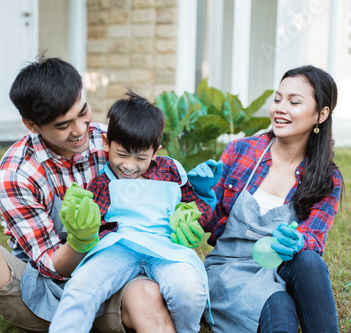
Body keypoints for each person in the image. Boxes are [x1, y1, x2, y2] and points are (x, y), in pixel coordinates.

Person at [0, 57, 177, 333]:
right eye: (63, 125)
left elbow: (155, 183)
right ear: (32, 125)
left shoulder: (111, 142)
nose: (80, 130)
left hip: (115, 281)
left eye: (83, 112)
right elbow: (52, 265)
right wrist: (81, 240)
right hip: (41, 289)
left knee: (148, 297)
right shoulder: (17, 174)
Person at [49, 90, 222, 333]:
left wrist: (196, 209)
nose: (129, 166)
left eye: (141, 157)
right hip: (118, 247)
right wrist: (82, 226)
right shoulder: (102, 183)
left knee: (188, 289)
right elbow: (93, 226)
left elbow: (199, 210)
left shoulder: (171, 171)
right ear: (108, 144)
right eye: (121, 154)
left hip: (166, 248)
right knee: (82, 286)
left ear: (156, 150)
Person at [203, 65, 344, 333]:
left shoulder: (327, 177)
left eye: (294, 102)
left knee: (309, 261)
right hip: (231, 269)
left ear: (321, 114)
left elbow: (314, 237)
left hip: (281, 268)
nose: (280, 108)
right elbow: (210, 219)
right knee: (279, 307)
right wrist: (199, 195)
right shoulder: (240, 152)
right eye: (278, 99)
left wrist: (299, 240)